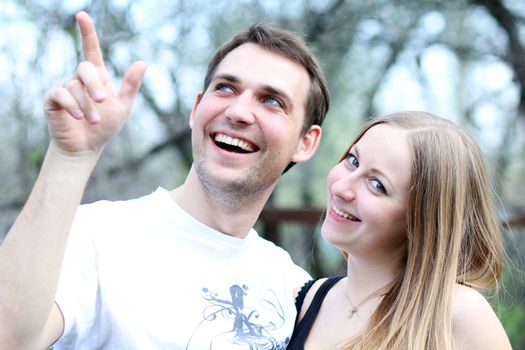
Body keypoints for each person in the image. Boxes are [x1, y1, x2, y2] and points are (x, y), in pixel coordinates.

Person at [0, 11, 329, 350]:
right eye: (226, 88)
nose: (238, 112)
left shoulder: (291, 286)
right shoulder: (96, 235)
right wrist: (70, 157)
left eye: (272, 101)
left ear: (306, 142)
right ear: (196, 108)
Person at [287, 111, 512, 349]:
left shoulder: (459, 314)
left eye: (377, 185)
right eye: (353, 161)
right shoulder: (304, 301)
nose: (342, 188)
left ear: (423, 221)